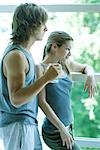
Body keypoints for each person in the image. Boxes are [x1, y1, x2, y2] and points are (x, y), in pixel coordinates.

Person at [0, 3, 70, 150]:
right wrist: (45, 78)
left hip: (27, 123)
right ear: (31, 25)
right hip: (18, 125)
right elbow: (16, 99)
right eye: (43, 24)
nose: (46, 28)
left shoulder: (24, 53)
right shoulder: (16, 56)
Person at [37, 31, 97, 150]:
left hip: (68, 127)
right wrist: (62, 129)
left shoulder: (66, 64)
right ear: (54, 46)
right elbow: (42, 102)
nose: (70, 53)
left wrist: (90, 76)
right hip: (54, 131)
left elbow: (86, 67)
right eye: (67, 49)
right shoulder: (40, 69)